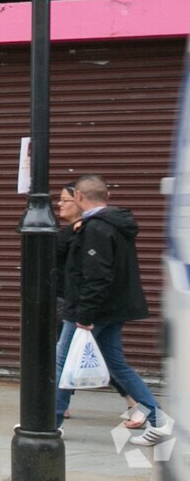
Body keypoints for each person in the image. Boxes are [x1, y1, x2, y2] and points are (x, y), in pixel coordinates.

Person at [56, 174, 171, 444]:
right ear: (107, 197)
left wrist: (84, 315)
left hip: (91, 311)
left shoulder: (96, 229)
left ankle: (52, 423)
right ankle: (160, 421)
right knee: (116, 364)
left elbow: (98, 276)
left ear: (80, 197)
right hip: (113, 309)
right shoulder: (116, 224)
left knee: (61, 362)